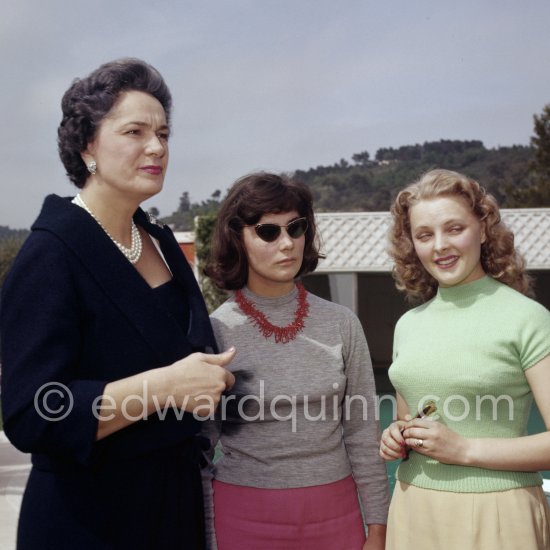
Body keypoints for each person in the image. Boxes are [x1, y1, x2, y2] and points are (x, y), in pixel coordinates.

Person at [0, 58, 235, 549]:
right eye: (135, 131)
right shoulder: (51, 252)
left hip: (174, 510)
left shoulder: (162, 241)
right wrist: (165, 385)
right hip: (88, 519)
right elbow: (30, 413)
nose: (157, 147)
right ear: (88, 144)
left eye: (165, 134)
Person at [201, 172, 389, 550]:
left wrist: (379, 527)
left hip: (337, 516)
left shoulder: (342, 324)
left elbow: (362, 435)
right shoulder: (215, 332)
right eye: (268, 232)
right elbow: (201, 449)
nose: (286, 243)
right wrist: (209, 535)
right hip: (242, 519)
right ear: (239, 237)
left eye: (296, 228)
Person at [380, 168, 550, 549]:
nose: (440, 246)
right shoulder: (408, 325)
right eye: (425, 235)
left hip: (499, 515)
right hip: (412, 508)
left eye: (454, 228)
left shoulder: (528, 319)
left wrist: (464, 449)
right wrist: (397, 437)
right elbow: (410, 420)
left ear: (484, 229)